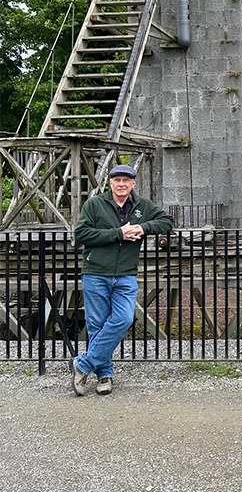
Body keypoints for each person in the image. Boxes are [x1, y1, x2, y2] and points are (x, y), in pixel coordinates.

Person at [70, 164, 173, 397]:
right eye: (117, 180)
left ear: (133, 184)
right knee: (97, 325)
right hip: (96, 272)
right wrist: (119, 233)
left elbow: (167, 221)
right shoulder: (95, 204)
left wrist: (142, 227)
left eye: (126, 180)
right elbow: (81, 234)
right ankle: (104, 376)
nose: (122, 184)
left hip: (125, 273)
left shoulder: (142, 206)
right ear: (110, 183)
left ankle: (83, 365)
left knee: (124, 319)